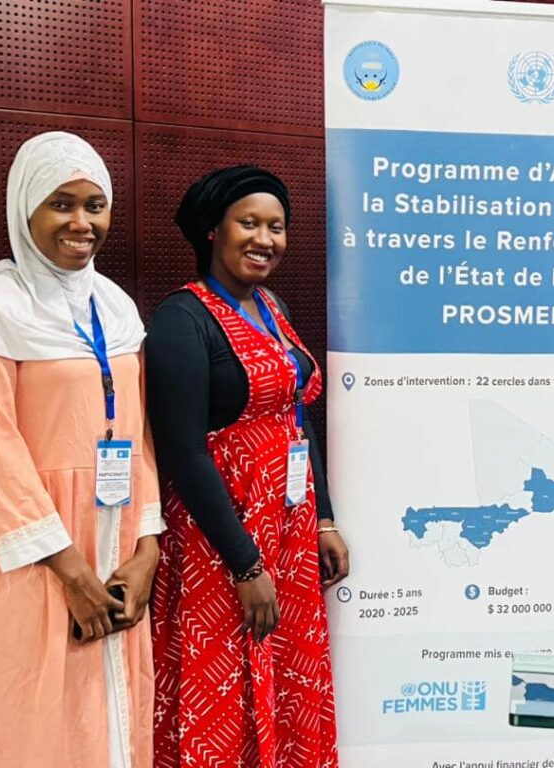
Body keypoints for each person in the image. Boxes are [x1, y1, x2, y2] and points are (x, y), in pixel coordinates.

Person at [0, 131, 163, 766]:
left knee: (114, 715)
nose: (82, 223)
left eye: (95, 205)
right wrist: (71, 571)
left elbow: (139, 432)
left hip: (117, 541)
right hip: (33, 550)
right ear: (24, 208)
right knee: (32, 716)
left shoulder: (115, 305)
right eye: (61, 204)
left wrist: (146, 549)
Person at [147, 165, 348, 767]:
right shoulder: (182, 318)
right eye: (250, 223)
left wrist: (324, 520)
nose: (265, 239)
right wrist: (245, 564)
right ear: (214, 230)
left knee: (288, 673)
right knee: (224, 684)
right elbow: (183, 454)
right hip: (222, 539)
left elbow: (296, 417)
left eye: (277, 227)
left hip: (288, 526)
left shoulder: (271, 305)